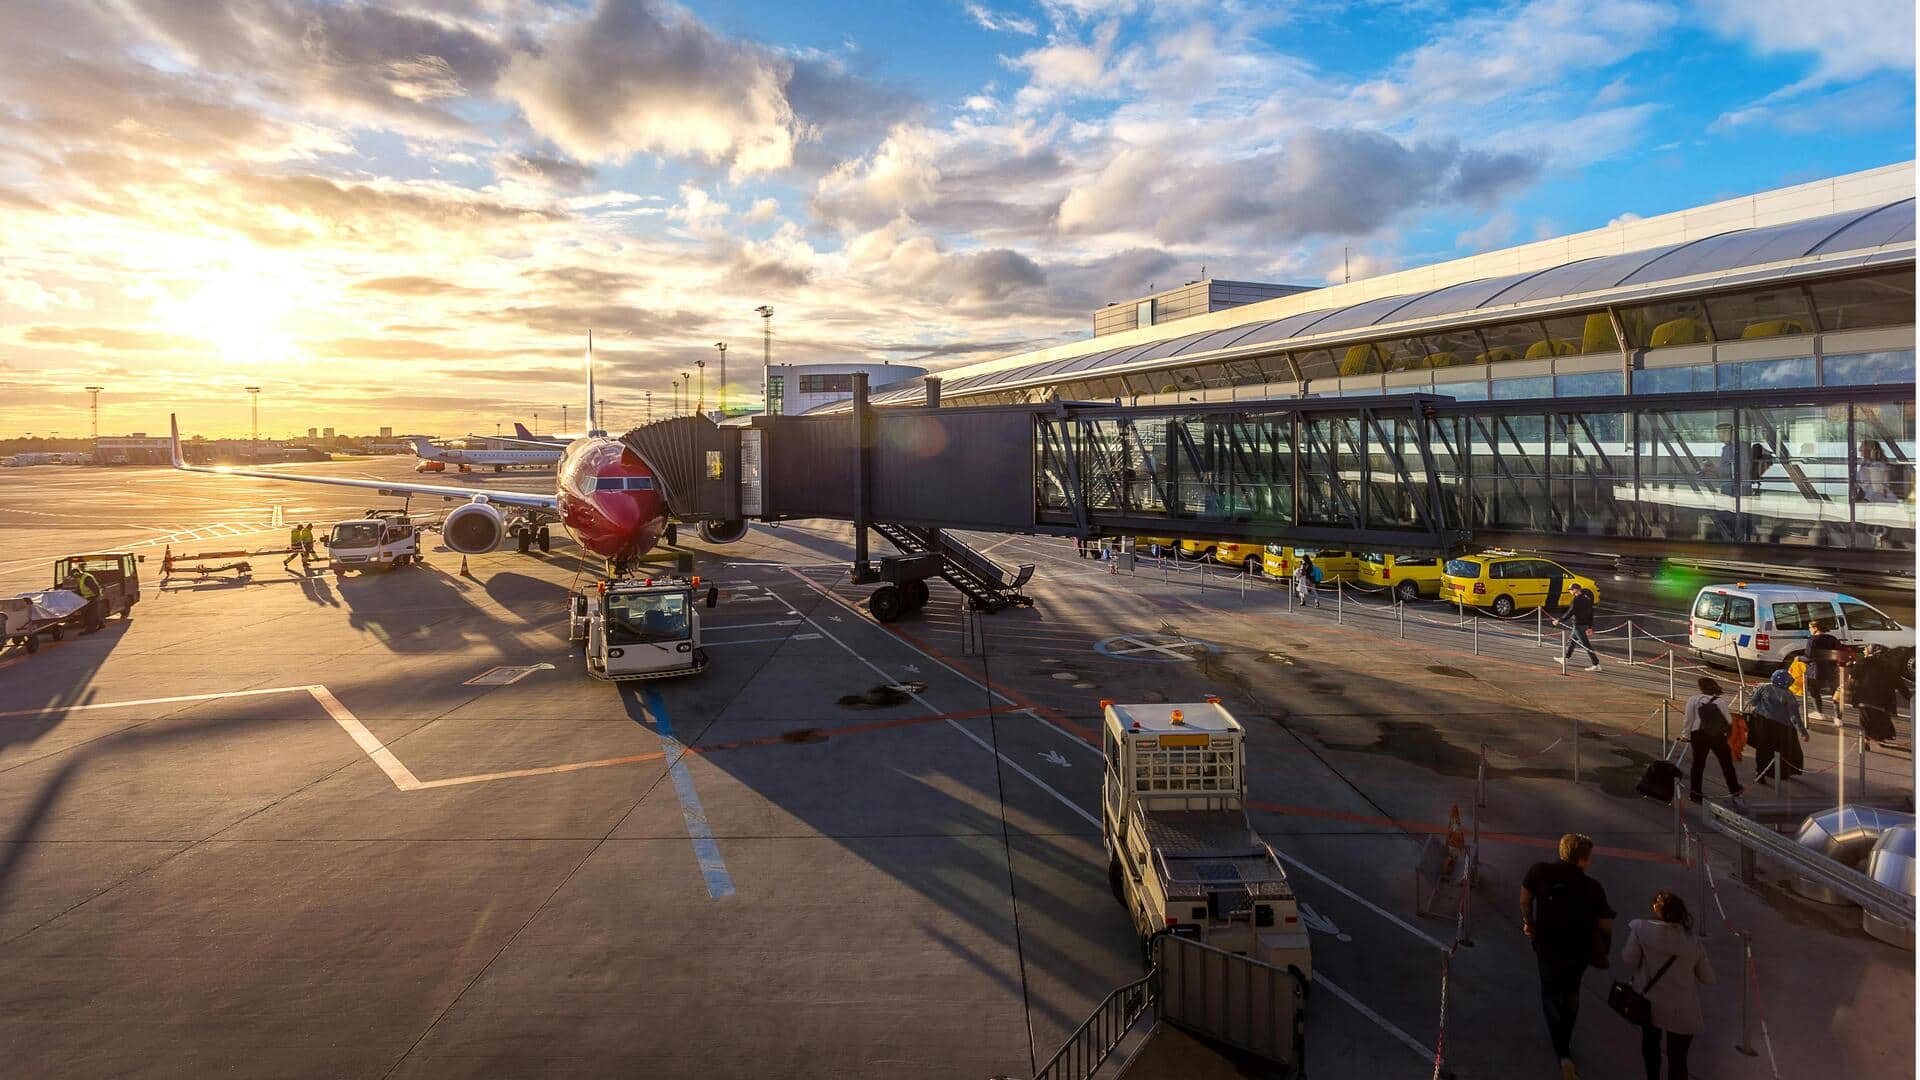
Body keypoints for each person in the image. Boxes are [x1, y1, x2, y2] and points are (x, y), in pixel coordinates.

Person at [1521, 833, 1615, 1079]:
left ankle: (1561, 1048)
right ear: (1583, 861)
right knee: (1571, 993)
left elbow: (1525, 898)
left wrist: (1529, 922)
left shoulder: (1540, 871)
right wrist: (1603, 945)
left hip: (1547, 946)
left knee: (1550, 994)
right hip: (1578, 952)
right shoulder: (1593, 888)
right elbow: (1606, 924)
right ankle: (1565, 1043)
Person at [1622, 891, 1713, 1080]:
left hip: (1650, 1004)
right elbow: (1708, 978)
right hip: (1682, 1011)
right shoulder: (1693, 943)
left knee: (1650, 1046)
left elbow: (1629, 959)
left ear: (1656, 910)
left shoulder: (1640, 929)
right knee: (1678, 1059)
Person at [1682, 677, 1744, 803]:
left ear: (1701, 688)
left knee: (1698, 764)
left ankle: (1695, 793)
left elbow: (1688, 719)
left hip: (1698, 734)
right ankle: (1734, 790)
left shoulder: (1693, 699)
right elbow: (1728, 720)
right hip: (1717, 735)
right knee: (1726, 763)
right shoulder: (1720, 701)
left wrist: (1685, 735)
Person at [1747, 668, 1807, 783]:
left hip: (1761, 722)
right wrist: (1803, 732)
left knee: (1762, 749)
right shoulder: (1789, 695)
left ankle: (1760, 773)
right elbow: (1795, 717)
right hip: (1781, 726)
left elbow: (1753, 702)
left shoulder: (1763, 687)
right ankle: (1780, 772)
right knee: (1783, 750)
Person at [1851, 644, 1902, 745]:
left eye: (1865, 648)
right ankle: (1878, 738)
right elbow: (1900, 685)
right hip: (1882, 702)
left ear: (1870, 651)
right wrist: (1911, 697)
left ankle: (1866, 740)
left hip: (1863, 698)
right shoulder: (1889, 666)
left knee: (1865, 721)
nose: (1863, 650)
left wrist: (1850, 693)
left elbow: (1852, 679)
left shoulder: (1862, 662)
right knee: (1879, 720)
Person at [1557, 583, 1601, 672]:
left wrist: (1559, 620)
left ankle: (1596, 664)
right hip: (1584, 624)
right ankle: (1566, 658)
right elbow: (1591, 613)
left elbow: (1570, 612)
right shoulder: (1587, 599)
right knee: (1572, 641)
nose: (1570, 591)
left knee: (1586, 645)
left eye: (1571, 590)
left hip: (1578, 625)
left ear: (1576, 590)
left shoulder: (1576, 600)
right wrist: (1590, 626)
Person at [1805, 621, 1843, 720]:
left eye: (1810, 627)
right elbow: (1839, 653)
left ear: (1815, 628)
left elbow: (1809, 656)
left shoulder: (1813, 640)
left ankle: (1819, 713)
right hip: (1832, 669)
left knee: (1814, 691)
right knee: (1835, 693)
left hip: (1816, 671)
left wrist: (1799, 658)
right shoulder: (1832, 639)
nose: (1809, 629)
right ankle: (1838, 718)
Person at [62, 566, 104, 634]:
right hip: (89, 597)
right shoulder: (81, 578)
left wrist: (96, 597)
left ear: (76, 574)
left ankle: (90, 630)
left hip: (93, 597)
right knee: (93, 613)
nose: (74, 578)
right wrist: (71, 593)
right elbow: (80, 590)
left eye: (74, 576)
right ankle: (100, 624)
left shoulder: (87, 578)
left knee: (89, 614)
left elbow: (95, 588)